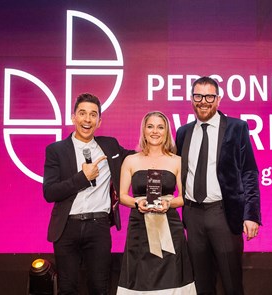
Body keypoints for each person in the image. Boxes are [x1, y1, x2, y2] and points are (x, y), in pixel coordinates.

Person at [175, 76, 262, 295]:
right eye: (198, 96)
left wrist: (251, 215)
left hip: (223, 214)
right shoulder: (183, 132)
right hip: (192, 215)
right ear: (191, 99)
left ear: (218, 99)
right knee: (202, 285)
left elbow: (249, 172)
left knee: (232, 284)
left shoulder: (237, 128)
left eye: (209, 96)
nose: (203, 101)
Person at [43, 93, 133, 294]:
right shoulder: (56, 150)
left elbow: (136, 157)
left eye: (93, 115)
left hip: (98, 227)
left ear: (99, 121)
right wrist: (82, 177)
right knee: (67, 288)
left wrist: (164, 149)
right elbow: (49, 192)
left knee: (100, 288)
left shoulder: (109, 146)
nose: (87, 119)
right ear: (73, 117)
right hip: (66, 227)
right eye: (82, 113)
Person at [117, 111, 196, 294]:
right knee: (139, 277)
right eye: (150, 126)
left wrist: (170, 204)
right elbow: (121, 196)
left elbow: (185, 197)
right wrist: (138, 203)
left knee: (173, 274)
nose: (155, 131)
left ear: (166, 131)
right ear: (144, 130)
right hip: (139, 227)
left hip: (170, 226)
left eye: (160, 127)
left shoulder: (177, 161)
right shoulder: (130, 160)